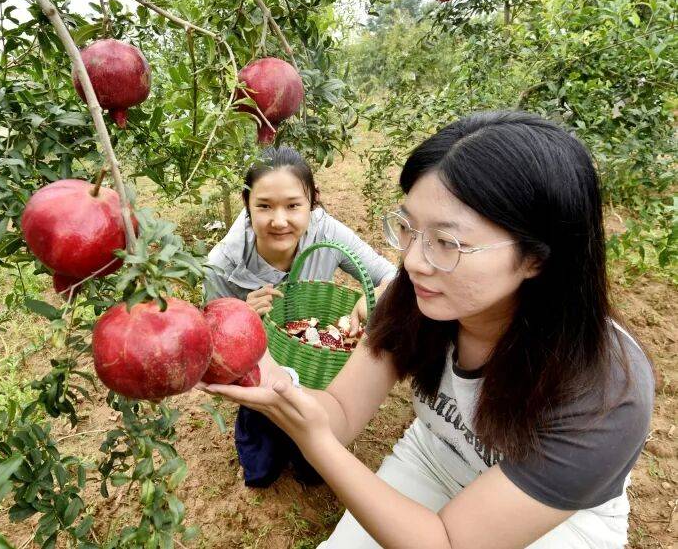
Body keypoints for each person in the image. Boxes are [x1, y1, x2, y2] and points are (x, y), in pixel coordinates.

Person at [201, 111, 654, 548]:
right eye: (408, 228)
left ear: (537, 256)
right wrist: (274, 377)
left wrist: (313, 438)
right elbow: (338, 408)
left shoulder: (604, 392)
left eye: (447, 242)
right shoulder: (417, 297)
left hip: (554, 516)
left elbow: (448, 542)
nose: (413, 261)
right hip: (439, 455)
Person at [204, 145, 396, 487]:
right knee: (261, 466)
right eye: (264, 206)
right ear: (247, 204)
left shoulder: (328, 233)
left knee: (312, 468)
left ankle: (307, 461)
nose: (280, 221)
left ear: (313, 202)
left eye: (294, 205)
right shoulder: (223, 265)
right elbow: (211, 348)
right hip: (259, 376)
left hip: (316, 374)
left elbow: (391, 277)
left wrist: (374, 300)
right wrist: (240, 318)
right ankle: (261, 460)